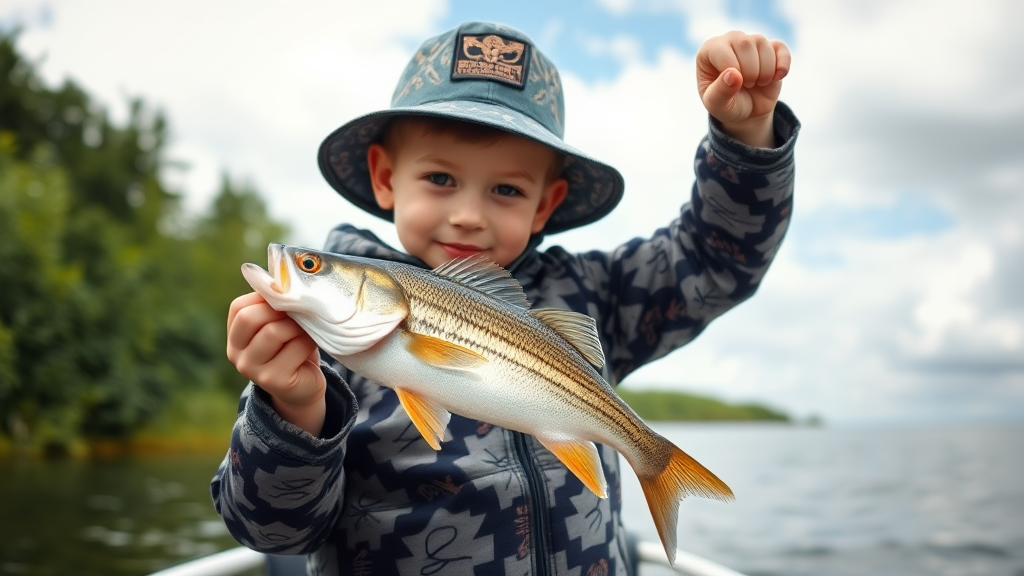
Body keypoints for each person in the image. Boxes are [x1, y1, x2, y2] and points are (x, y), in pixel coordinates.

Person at [213, 21, 799, 576]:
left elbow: (715, 260)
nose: (468, 215)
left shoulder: (590, 295)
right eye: (440, 179)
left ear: (545, 205)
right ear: (386, 177)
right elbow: (271, 531)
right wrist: (292, 409)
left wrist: (746, 140)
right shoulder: (317, 348)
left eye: (507, 189)